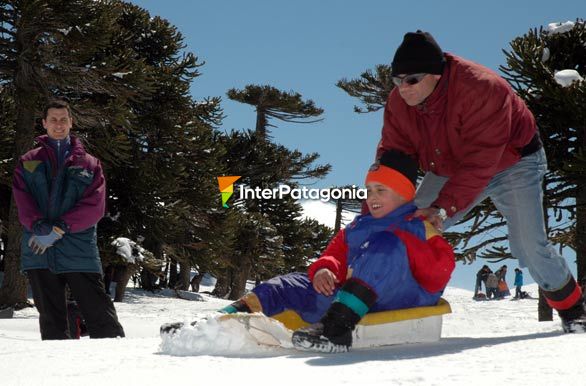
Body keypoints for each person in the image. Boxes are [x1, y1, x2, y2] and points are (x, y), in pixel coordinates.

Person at [377, 30, 585, 332]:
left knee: (529, 245)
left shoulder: (483, 89)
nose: (403, 88)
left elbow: (480, 164)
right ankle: (379, 301)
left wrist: (442, 209)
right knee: (404, 225)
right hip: (449, 166)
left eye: (411, 80)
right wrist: (383, 197)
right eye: (397, 80)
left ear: (436, 74)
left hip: (513, 163)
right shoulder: (399, 103)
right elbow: (395, 154)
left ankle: (574, 310)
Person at [161, 150, 455, 353]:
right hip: (349, 300)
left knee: (386, 247)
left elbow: (438, 275)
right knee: (285, 284)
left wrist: (407, 244)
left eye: (382, 191)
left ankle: (336, 331)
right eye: (369, 190)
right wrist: (325, 269)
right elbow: (334, 255)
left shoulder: (419, 227)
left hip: (400, 301)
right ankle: (213, 326)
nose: (372, 198)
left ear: (405, 193)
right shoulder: (357, 227)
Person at [12, 100, 125, 340]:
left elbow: (95, 206)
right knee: (52, 324)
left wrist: (60, 228)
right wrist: (39, 226)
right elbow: (22, 199)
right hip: (39, 249)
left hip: (79, 250)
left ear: (71, 122)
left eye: (63, 119)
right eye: (53, 119)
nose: (58, 124)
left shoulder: (90, 164)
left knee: (102, 318)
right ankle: (59, 374)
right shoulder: (29, 160)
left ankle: (118, 370)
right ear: (44, 123)